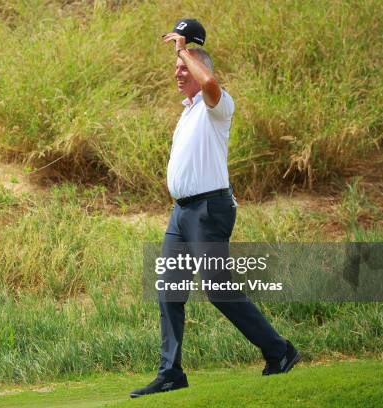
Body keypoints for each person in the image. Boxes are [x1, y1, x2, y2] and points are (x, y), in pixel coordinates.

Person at [129, 30, 300, 398]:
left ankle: (279, 350)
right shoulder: (187, 113)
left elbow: (208, 80)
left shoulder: (218, 105)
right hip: (182, 213)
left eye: (182, 67)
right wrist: (183, 54)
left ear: (197, 67)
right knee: (169, 290)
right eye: (175, 67)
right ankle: (171, 372)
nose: (177, 72)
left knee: (218, 289)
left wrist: (183, 48)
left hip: (209, 209)